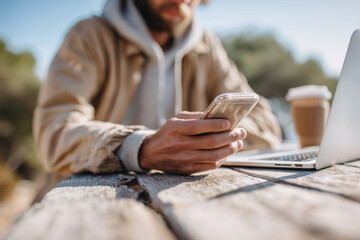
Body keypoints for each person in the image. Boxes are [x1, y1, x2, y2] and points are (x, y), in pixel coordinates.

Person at [33, 0, 282, 177]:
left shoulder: (207, 47)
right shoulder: (89, 36)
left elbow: (267, 125)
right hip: (81, 204)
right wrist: (141, 148)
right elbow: (53, 133)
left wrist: (202, 140)